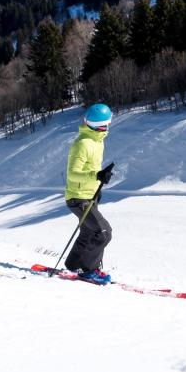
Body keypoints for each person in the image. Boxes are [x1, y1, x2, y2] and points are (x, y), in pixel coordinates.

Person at [62, 103, 116, 284]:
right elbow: (72, 173)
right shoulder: (83, 143)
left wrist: (98, 182)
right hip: (77, 198)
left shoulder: (97, 141)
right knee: (103, 232)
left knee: (87, 232)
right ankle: (88, 270)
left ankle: (73, 264)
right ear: (96, 125)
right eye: (105, 124)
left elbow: (91, 169)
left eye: (108, 123)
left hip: (88, 195)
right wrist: (97, 175)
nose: (107, 127)